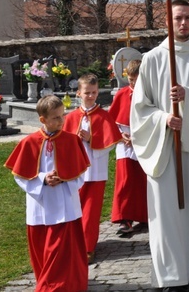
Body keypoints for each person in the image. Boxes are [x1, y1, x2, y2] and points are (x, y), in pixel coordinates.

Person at [130, 0, 189, 290]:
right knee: (169, 212)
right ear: (168, 22)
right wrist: (163, 119)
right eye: (177, 18)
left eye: (187, 18)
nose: (183, 23)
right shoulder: (153, 59)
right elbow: (140, 108)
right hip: (165, 150)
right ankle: (172, 272)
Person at [4, 95, 91, 292]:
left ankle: (59, 287)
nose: (62, 121)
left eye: (63, 116)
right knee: (43, 252)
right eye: (56, 118)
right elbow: (20, 175)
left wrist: (64, 178)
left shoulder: (71, 141)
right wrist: (43, 178)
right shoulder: (29, 142)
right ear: (42, 120)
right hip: (41, 206)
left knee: (63, 251)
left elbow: (80, 174)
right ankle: (48, 284)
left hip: (65, 204)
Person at [63, 73, 122, 264]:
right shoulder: (71, 117)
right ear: (78, 93)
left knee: (91, 210)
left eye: (94, 92)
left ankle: (88, 247)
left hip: (96, 170)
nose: (91, 96)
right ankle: (73, 243)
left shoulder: (104, 116)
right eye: (87, 92)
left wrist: (92, 139)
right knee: (74, 208)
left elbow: (111, 141)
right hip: (75, 171)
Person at [109, 59, 148, 238]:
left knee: (143, 180)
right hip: (125, 143)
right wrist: (120, 135)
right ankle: (124, 218)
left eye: (136, 80)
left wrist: (138, 137)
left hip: (145, 142)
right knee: (125, 181)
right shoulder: (122, 94)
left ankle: (145, 216)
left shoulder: (150, 95)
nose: (133, 84)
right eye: (131, 80)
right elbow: (112, 120)